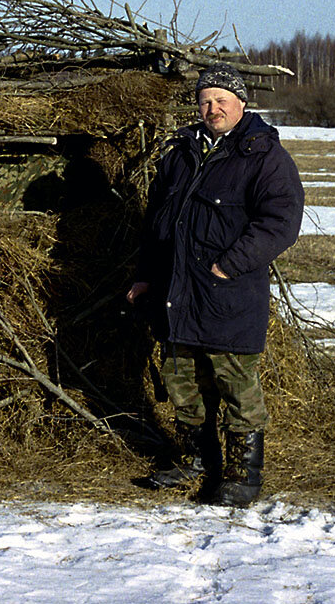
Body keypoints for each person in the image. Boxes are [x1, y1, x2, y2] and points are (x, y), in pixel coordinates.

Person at [126, 63, 304, 506]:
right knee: (182, 381)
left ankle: (243, 477)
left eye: (221, 99)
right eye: (205, 100)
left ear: (241, 103)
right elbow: (157, 225)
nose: (213, 108)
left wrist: (229, 265)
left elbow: (280, 223)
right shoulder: (181, 153)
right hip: (177, 293)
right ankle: (196, 460)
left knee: (236, 386)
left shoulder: (264, 156)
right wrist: (146, 275)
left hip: (229, 296)